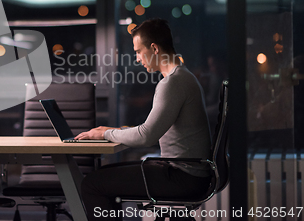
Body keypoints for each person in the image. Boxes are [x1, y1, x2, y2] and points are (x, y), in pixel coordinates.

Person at [74, 18, 212, 221]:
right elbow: (151, 128)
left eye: (138, 51)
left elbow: (146, 136)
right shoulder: (183, 77)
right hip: (187, 173)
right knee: (102, 177)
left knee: (92, 184)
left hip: (182, 177)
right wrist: (115, 130)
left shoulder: (173, 83)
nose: (137, 59)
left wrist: (105, 134)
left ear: (154, 48)